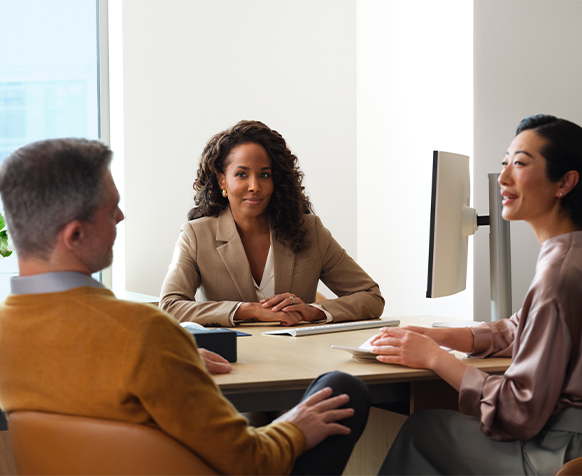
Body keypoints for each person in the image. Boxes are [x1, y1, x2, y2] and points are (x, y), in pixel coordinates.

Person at [0, 138, 371, 475]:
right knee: (340, 388)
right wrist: (296, 426)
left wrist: (180, 355)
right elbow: (251, 462)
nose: (120, 217)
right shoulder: (143, 333)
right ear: (75, 235)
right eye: (110, 207)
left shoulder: (7, 333)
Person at [372, 114, 582, 475]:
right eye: (504, 163)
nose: (504, 178)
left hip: (562, 452)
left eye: (520, 164)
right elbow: (521, 327)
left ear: (565, 182)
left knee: (422, 430)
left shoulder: (559, 275)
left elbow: (518, 411)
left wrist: (435, 358)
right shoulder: (580, 257)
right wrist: (443, 337)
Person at [160, 120, 384, 327]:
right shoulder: (196, 235)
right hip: (234, 361)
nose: (254, 186)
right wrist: (246, 310)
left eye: (264, 175)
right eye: (241, 174)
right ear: (222, 180)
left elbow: (370, 295)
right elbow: (170, 306)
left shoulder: (308, 230)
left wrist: (315, 311)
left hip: (299, 358)